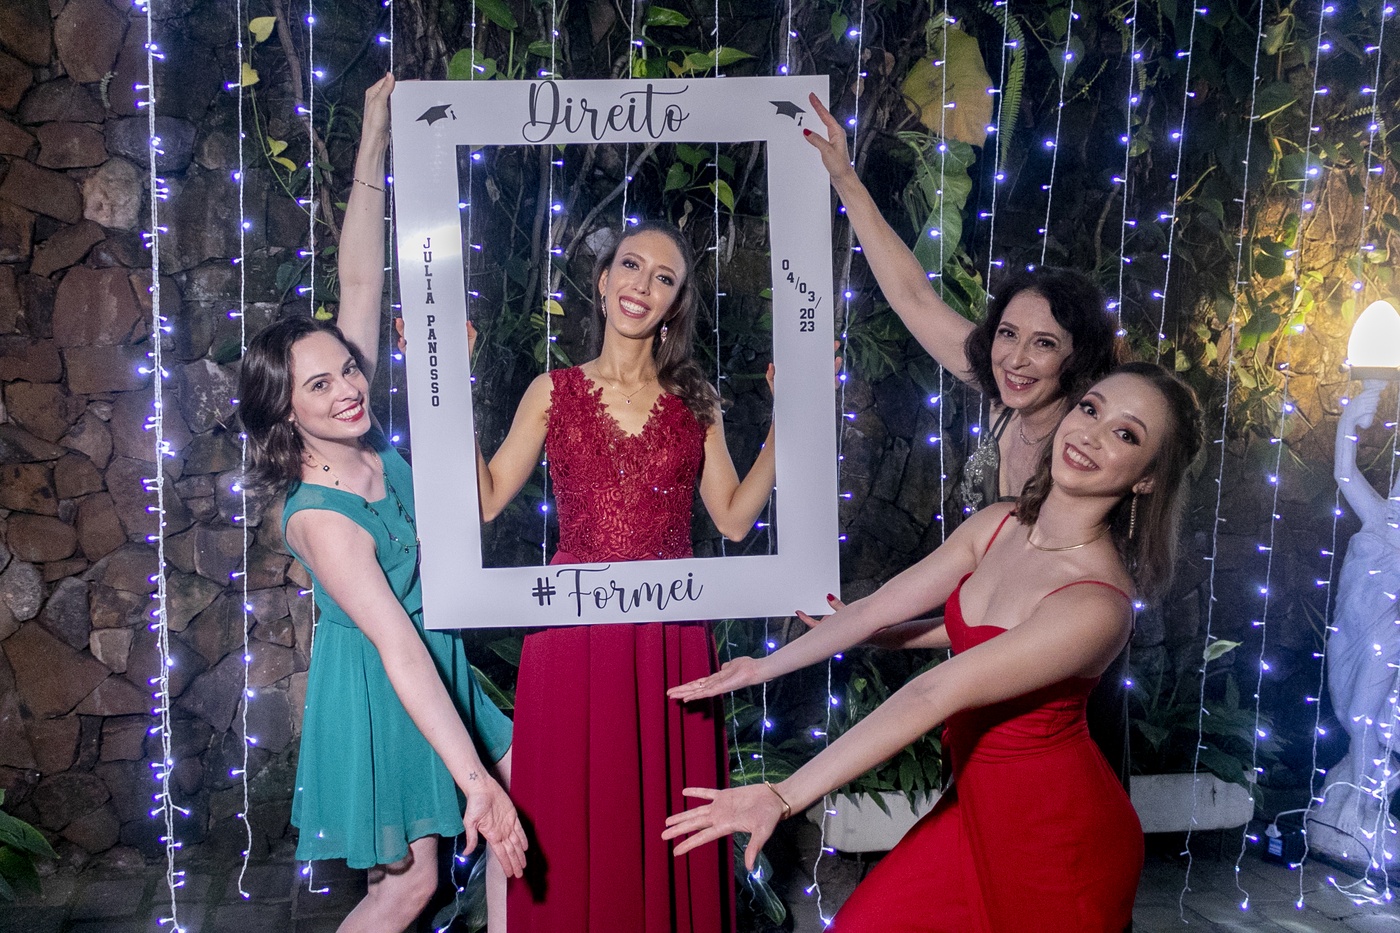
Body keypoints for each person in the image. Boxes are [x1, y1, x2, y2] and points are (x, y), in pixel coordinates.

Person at [664, 362, 1203, 932]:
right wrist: (763, 667)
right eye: (1090, 408)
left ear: (1148, 478)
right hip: (970, 811)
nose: (1091, 433)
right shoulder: (998, 525)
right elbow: (875, 610)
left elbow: (934, 693)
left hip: (1056, 841)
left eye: (1126, 434)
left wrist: (782, 796)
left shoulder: (1098, 605)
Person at [239, 75, 525, 933]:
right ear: (287, 412)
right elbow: (397, 646)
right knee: (405, 886)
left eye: (348, 369)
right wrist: (474, 780)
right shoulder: (320, 516)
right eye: (319, 386)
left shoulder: (360, 438)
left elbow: (361, 278)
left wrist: (373, 135)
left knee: (528, 806)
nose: (347, 389)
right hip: (381, 691)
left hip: (440, 660)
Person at [802, 92, 1120, 511]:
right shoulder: (1003, 394)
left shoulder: (1090, 445)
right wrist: (844, 177)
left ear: (1079, 354)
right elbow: (914, 297)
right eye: (1008, 334)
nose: (1016, 359)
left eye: (1044, 343)